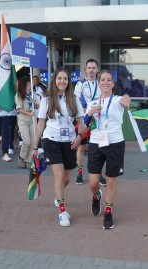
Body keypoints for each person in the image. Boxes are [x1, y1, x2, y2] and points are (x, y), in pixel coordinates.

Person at [32, 67, 85, 227]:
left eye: (65, 79)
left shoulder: (74, 99)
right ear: (54, 81)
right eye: (59, 78)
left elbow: (81, 123)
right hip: (51, 140)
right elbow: (40, 124)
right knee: (59, 175)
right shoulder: (47, 100)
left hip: (69, 141)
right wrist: (35, 146)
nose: (62, 81)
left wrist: (79, 137)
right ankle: (63, 211)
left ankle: (58, 194)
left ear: (69, 82)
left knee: (67, 178)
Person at [84, 70, 131, 230]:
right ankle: (96, 196)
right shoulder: (92, 103)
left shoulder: (117, 100)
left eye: (108, 80)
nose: (105, 82)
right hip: (96, 143)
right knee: (93, 182)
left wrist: (126, 100)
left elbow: (125, 100)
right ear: (99, 83)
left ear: (112, 83)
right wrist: (89, 113)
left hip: (115, 143)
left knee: (111, 180)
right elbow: (84, 124)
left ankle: (108, 212)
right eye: (102, 80)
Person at [74, 59, 106, 186]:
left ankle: (100, 174)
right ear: (85, 70)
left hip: (100, 119)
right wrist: (86, 111)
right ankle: (79, 173)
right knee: (81, 147)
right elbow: (75, 101)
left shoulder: (101, 83)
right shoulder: (80, 84)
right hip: (85, 119)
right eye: (89, 68)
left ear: (97, 70)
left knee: (101, 147)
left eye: (94, 68)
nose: (91, 70)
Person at [16, 75, 37, 168]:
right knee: (27, 141)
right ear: (23, 85)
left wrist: (34, 102)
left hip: (32, 120)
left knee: (33, 141)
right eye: (28, 84)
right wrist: (29, 114)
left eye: (30, 83)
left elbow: (38, 106)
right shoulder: (19, 95)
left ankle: (28, 160)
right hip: (23, 120)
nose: (30, 85)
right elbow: (19, 109)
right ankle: (22, 157)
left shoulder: (33, 94)